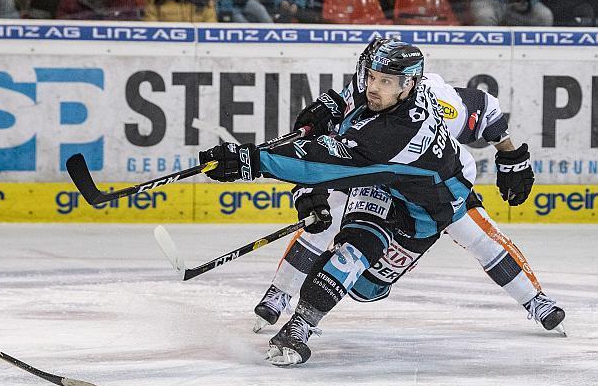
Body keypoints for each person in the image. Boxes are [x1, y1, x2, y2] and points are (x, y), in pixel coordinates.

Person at [199, 38, 565, 366]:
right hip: (381, 182)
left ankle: (535, 300)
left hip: (432, 204)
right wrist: (325, 109)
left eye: (385, 81)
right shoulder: (389, 90)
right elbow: (338, 115)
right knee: (350, 248)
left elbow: (320, 161)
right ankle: (298, 322)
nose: (373, 87)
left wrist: (514, 160)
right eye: (371, 76)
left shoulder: (399, 133)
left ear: (409, 85)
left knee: (371, 286)